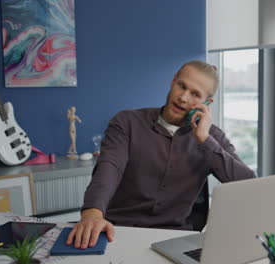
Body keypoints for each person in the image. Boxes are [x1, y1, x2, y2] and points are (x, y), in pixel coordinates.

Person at [66, 60, 256, 249]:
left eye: (195, 94)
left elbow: (247, 184)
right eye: (182, 86)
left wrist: (204, 140)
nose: (183, 97)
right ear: (173, 81)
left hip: (174, 239)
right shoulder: (127, 122)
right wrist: (93, 213)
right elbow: (109, 168)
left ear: (207, 103)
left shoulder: (212, 137)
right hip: (118, 231)